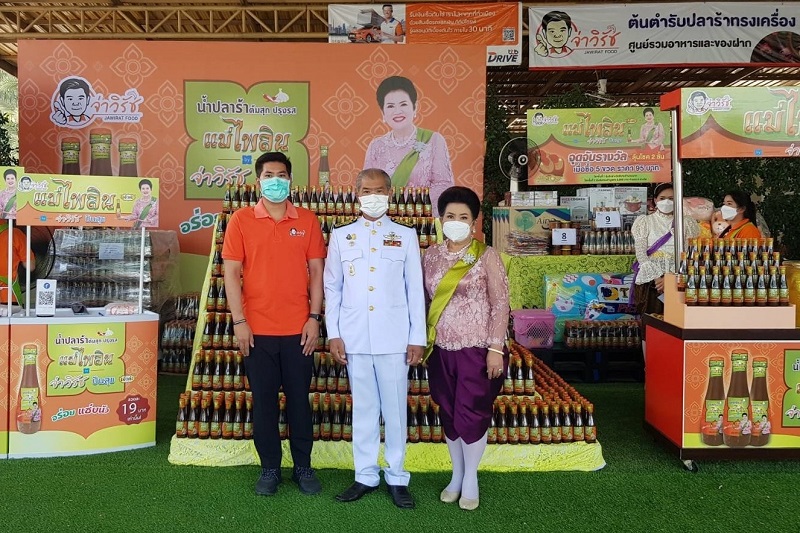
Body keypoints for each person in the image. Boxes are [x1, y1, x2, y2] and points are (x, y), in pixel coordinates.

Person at [222, 151, 326, 497]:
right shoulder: (241, 220)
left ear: (290, 180)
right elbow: (231, 274)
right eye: (269, 175)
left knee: (299, 402)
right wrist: (239, 321)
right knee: (264, 403)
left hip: (299, 331)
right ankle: (269, 468)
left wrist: (314, 318)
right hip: (257, 331)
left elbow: (317, 272)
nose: (275, 181)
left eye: (281, 175)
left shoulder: (307, 220)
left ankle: (303, 467)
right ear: (258, 181)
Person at [324, 168, 426, 509]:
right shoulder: (342, 235)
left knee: (395, 411)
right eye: (367, 190)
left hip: (394, 337)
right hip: (355, 337)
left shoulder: (405, 235)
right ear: (357, 194)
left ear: (390, 193)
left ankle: (397, 476)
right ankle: (365, 474)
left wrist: (417, 337)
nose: (373, 196)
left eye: (379, 190)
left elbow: (415, 290)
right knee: (364, 410)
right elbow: (333, 287)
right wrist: (334, 333)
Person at [422, 186, 509, 511]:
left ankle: (471, 477)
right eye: (450, 216)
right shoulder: (430, 256)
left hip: (477, 348)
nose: (456, 222)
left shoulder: (487, 256)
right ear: (441, 219)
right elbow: (423, 300)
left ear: (473, 222)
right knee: (448, 411)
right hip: (440, 348)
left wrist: (495, 348)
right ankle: (456, 475)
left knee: (471, 412)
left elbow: (501, 304)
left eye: (463, 217)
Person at [364, 76, 455, 217]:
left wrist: (409, 205)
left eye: (403, 104)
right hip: (386, 219)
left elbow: (444, 185)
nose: (397, 111)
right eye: (390, 106)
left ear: (415, 107)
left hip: (422, 220)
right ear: (383, 112)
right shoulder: (376, 146)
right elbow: (367, 187)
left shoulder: (433, 140)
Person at [631, 182, 700, 315]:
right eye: (662, 198)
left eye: (671, 198)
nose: (667, 202)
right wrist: (657, 279)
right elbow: (641, 254)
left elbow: (690, 254)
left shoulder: (686, 222)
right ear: (655, 200)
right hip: (652, 282)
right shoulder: (644, 221)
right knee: (653, 319)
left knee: (677, 319)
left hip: (679, 279)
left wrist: (670, 279)